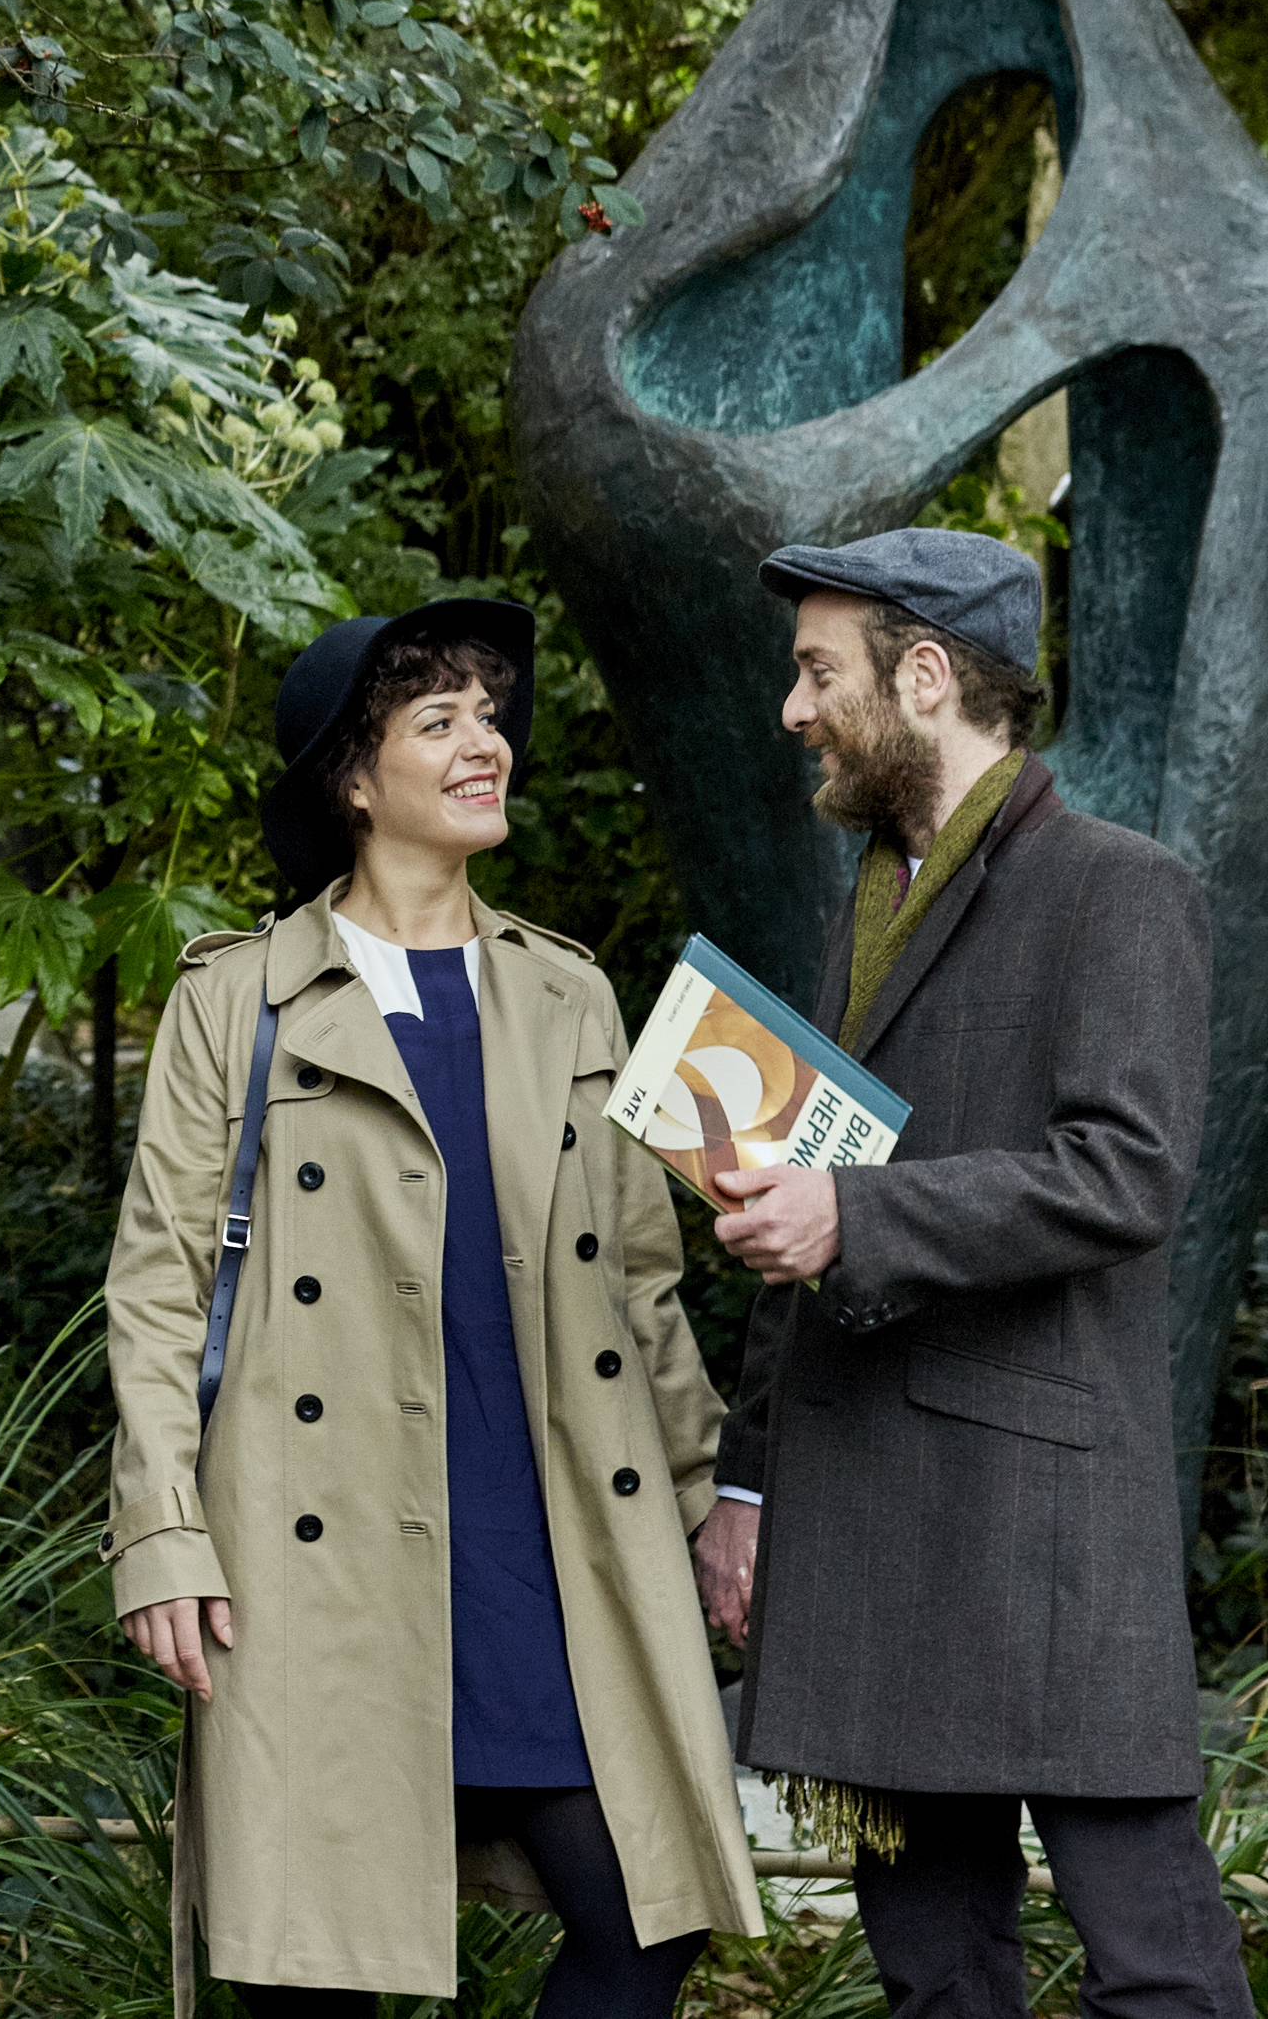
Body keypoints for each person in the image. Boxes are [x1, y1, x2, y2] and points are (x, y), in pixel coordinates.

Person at [106, 600, 760, 2012]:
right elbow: (158, 1291)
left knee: (648, 1913)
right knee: (317, 1975)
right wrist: (160, 1533)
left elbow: (639, 1285)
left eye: (490, 714)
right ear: (355, 778)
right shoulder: (238, 997)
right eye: (439, 719)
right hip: (317, 1552)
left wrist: (710, 1501)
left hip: (551, 1538)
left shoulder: (569, 992)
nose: (487, 743)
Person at [695, 528, 1257, 2019]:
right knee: (932, 1974)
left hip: (1036, 1526)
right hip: (865, 1515)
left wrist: (853, 1215)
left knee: (1155, 1967)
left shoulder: (1121, 887)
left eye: (819, 672)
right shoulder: (869, 898)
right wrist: (748, 1480)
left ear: (926, 674)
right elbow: (808, 1189)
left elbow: (1124, 1172)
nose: (795, 709)